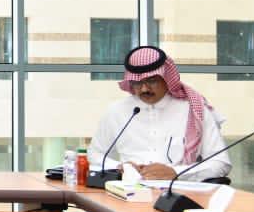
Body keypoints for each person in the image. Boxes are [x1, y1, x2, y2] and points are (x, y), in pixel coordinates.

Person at [89, 46, 230, 181]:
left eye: (152, 81)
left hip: (178, 190)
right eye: (137, 83)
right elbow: (95, 154)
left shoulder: (193, 110)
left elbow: (220, 163)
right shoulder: (117, 111)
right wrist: (119, 167)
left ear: (166, 78)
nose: (144, 89)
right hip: (128, 190)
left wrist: (176, 173)